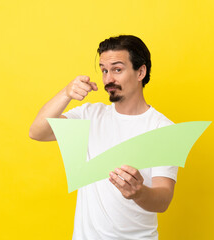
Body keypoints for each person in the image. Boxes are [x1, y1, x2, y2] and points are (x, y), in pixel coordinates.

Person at [29, 35, 178, 239]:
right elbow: (37, 132)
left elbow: (163, 200)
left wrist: (138, 192)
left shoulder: (163, 129)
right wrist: (66, 93)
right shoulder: (90, 115)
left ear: (140, 72)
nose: (108, 79)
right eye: (104, 70)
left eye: (117, 69)